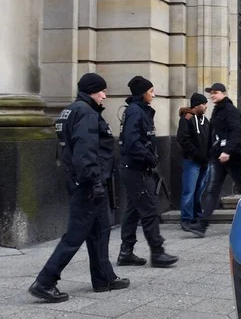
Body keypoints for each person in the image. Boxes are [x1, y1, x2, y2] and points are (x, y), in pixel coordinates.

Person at [29, 73, 129, 303]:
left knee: (100, 231)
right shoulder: (85, 112)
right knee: (75, 235)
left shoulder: (71, 110)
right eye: (102, 91)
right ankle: (45, 281)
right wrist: (94, 182)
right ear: (92, 91)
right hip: (88, 184)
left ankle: (104, 278)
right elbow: (85, 151)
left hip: (84, 182)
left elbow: (66, 150)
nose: (105, 95)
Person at [117, 76, 178, 267]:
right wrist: (148, 156)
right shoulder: (136, 111)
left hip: (136, 167)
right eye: (151, 91)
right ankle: (157, 253)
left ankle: (126, 252)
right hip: (135, 168)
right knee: (150, 209)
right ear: (142, 93)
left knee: (134, 210)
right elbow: (132, 141)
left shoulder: (138, 110)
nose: (154, 94)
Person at [188, 82, 241, 237]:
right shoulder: (217, 110)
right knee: (212, 189)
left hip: (232, 156)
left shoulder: (230, 110)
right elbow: (214, 133)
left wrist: (228, 151)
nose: (212, 95)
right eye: (211, 93)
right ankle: (202, 225)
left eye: (215, 92)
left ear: (224, 93)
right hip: (218, 156)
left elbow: (236, 132)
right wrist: (212, 152)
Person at [176, 92, 211, 232]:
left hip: (204, 162)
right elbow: (183, 139)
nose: (206, 107)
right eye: (204, 104)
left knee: (198, 191)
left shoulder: (205, 121)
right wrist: (196, 155)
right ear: (197, 105)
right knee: (189, 190)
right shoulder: (187, 118)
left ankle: (196, 215)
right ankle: (186, 219)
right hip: (192, 161)